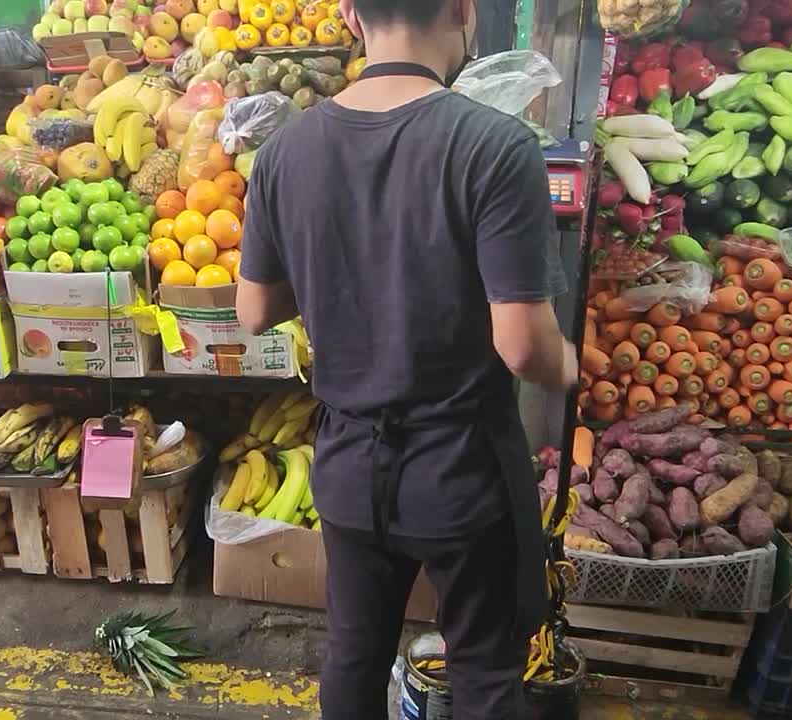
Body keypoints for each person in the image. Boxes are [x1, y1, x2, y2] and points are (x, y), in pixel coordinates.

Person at [235, 0, 578, 715]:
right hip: (461, 468)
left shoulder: (285, 152)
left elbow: (256, 311)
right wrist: (569, 365)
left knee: (355, 654)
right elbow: (522, 347)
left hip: (348, 463)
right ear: (461, 9)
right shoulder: (495, 145)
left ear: (351, 17)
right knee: (484, 666)